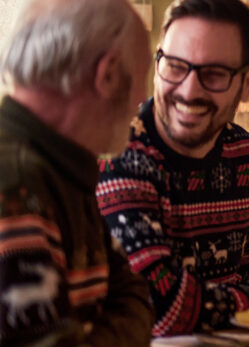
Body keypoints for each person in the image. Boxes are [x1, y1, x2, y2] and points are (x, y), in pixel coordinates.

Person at [95, 0, 249, 336]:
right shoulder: (120, 152)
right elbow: (158, 306)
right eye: (175, 66)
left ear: (247, 83)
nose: (189, 91)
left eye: (214, 74)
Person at [0, 0, 153, 344]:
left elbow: (137, 297)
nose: (143, 100)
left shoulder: (63, 168)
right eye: (143, 77)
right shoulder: (16, 182)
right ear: (108, 74)